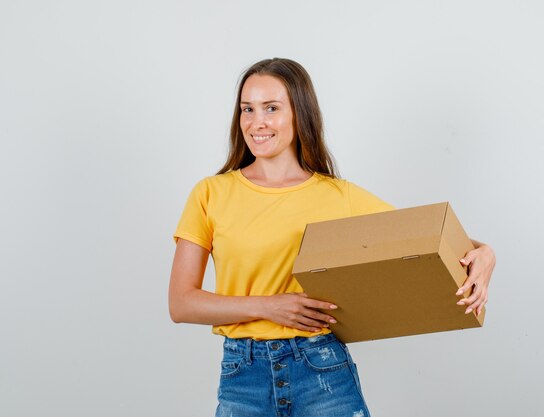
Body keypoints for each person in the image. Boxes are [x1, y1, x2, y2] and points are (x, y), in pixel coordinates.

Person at [169, 58, 496, 417]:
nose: (255, 122)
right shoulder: (211, 193)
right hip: (242, 376)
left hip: (321, 369)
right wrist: (269, 306)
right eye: (247, 109)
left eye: (271, 108)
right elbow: (182, 303)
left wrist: (485, 252)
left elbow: (422, 238)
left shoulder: (339, 196)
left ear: (300, 113)